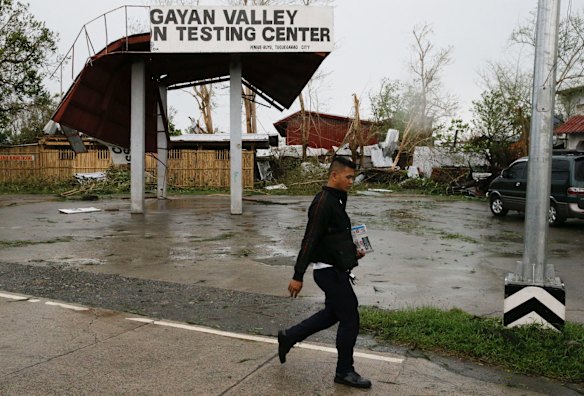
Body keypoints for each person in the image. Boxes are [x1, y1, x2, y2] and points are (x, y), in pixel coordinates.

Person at [277, 156, 371, 389]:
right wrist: (298, 275)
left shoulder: (337, 200)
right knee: (350, 317)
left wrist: (352, 252)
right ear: (334, 175)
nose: (351, 181)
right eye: (348, 177)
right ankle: (344, 371)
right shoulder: (322, 202)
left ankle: (289, 337)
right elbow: (310, 239)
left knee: (332, 314)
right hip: (328, 272)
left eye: (352, 177)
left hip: (335, 268)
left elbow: (333, 238)